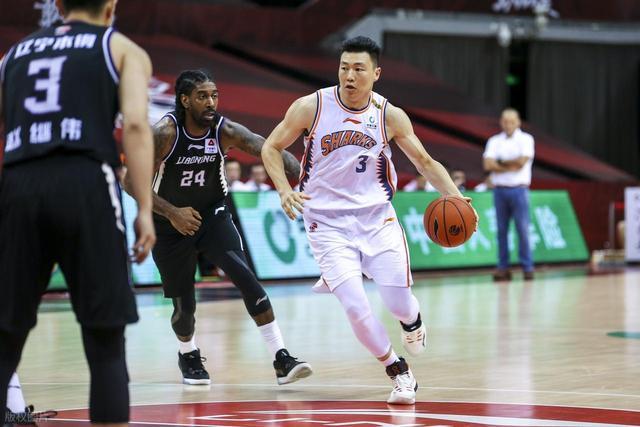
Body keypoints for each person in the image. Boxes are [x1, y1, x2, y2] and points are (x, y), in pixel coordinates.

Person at [262, 36, 476, 405]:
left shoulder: (389, 115)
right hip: (326, 224)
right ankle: (398, 371)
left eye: (358, 69)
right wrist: (283, 189)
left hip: (377, 219)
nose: (349, 75)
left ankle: (412, 322)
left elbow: (424, 162)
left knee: (398, 303)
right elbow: (271, 146)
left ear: (376, 73)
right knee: (356, 308)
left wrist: (454, 197)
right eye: (344, 67)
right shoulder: (311, 107)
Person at [0, 0, 156, 425]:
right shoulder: (121, 48)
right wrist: (144, 208)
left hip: (19, 183)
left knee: (6, 335)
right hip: (86, 181)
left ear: (58, 5)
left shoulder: (14, 54)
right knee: (105, 341)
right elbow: (136, 126)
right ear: (111, 6)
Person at [139, 69, 312, 386]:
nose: (211, 102)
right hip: (169, 224)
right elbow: (131, 182)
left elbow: (268, 148)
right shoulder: (164, 133)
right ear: (185, 100)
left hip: (213, 216)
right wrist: (173, 213)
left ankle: (281, 357)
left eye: (214, 95)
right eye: (202, 96)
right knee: (184, 308)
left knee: (246, 277)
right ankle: (188, 353)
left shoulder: (224, 130)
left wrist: (305, 174)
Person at [482, 108, 535, 281]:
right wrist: (508, 165)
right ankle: (503, 267)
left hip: (519, 189)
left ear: (518, 122)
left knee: (523, 229)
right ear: (501, 122)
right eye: (505, 121)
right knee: (501, 231)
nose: (508, 124)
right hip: (500, 190)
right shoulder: (494, 140)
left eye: (511, 121)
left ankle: (527, 267)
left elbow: (520, 163)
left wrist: (499, 163)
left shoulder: (526, 139)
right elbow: (487, 165)